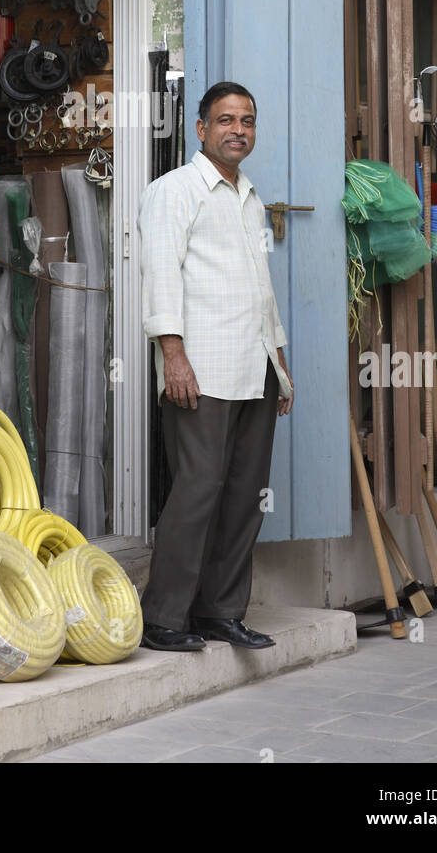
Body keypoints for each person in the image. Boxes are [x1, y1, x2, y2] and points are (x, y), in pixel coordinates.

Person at [137, 81, 295, 652]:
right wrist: (172, 355)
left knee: (244, 495)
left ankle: (219, 611)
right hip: (201, 370)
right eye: (226, 119)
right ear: (199, 129)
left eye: (247, 120)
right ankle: (162, 618)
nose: (238, 129)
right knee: (197, 490)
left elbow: (261, 289)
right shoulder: (173, 192)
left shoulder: (250, 196)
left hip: (253, 367)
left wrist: (278, 358)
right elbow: (160, 276)